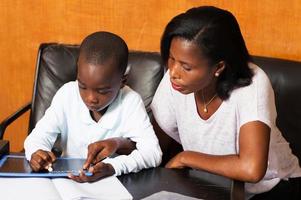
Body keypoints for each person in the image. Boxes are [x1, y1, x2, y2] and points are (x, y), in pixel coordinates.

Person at [151, 6, 301, 199]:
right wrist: (117, 144)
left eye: (186, 67)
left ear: (219, 67)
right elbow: (154, 145)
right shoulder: (176, 80)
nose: (173, 72)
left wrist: (186, 157)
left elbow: (251, 169)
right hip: (212, 186)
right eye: (171, 59)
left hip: (271, 188)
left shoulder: (253, 85)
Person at [24, 31, 162, 182]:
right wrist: (36, 152)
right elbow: (37, 137)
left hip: (112, 183)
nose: (90, 99)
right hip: (67, 181)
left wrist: (113, 166)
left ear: (122, 81)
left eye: (102, 91)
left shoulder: (130, 102)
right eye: (82, 86)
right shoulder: (67, 94)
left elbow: (153, 153)